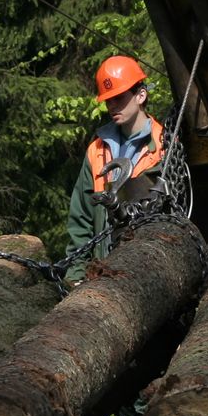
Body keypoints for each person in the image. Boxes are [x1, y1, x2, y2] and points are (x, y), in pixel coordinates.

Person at [66, 55, 165, 262]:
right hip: (106, 266)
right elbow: (81, 217)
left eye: (119, 97)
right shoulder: (96, 150)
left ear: (141, 95)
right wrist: (76, 273)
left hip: (153, 263)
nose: (112, 105)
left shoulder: (165, 145)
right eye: (108, 100)